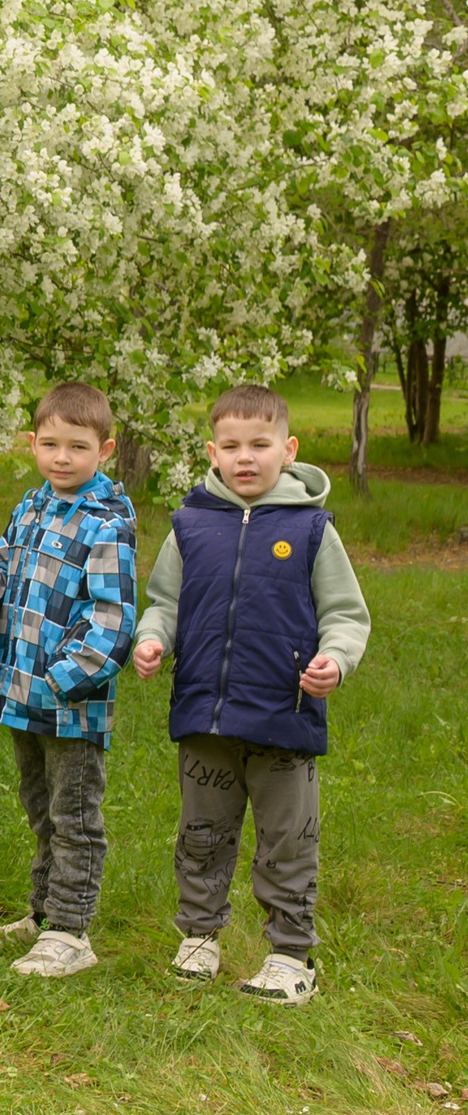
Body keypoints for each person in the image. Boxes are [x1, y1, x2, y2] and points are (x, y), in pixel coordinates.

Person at [132, 384, 370, 1006]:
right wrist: (153, 640)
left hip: (283, 716)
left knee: (287, 839)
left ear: (288, 451)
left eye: (260, 445)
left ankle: (290, 954)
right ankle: (199, 936)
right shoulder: (189, 527)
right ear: (212, 452)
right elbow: (164, 603)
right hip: (204, 716)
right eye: (231, 446)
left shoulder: (311, 530)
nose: (245, 457)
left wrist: (335, 660)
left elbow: (345, 614)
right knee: (201, 833)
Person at [0, 381, 136, 977]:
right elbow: (2, 576)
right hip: (21, 693)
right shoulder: (31, 507)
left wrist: (61, 679)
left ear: (105, 450)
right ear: (32, 443)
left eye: (77, 447)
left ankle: (71, 931)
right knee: (41, 808)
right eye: (50, 445)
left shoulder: (106, 523)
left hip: (70, 704)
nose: (61, 458)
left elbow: (112, 618)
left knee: (74, 818)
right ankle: (43, 913)